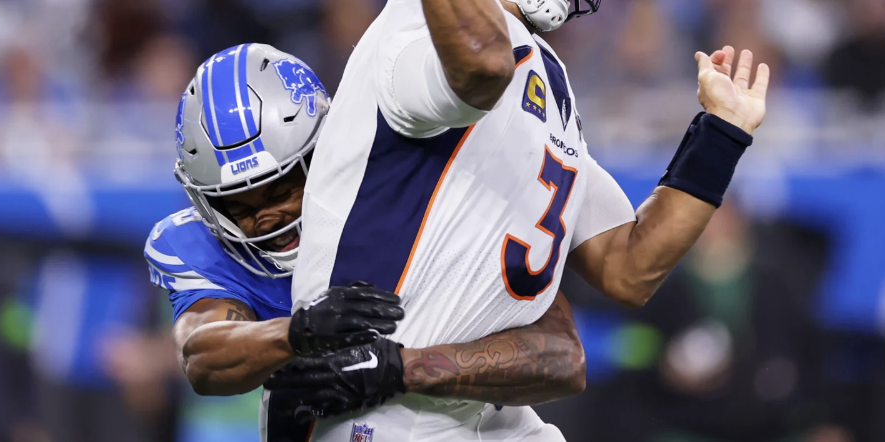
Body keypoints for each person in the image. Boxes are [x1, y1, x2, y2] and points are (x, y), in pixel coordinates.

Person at [281, 0, 770, 442]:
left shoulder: (544, 76)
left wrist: (719, 135)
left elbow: (630, 266)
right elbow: (479, 66)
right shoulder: (413, 24)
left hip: (467, 398)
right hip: (372, 403)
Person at [145, 43, 588, 441]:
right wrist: (301, 331)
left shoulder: (411, 186)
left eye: (282, 189)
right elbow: (202, 356)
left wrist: (401, 368)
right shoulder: (197, 244)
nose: (266, 217)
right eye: (237, 206)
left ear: (325, 151)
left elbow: (563, 358)